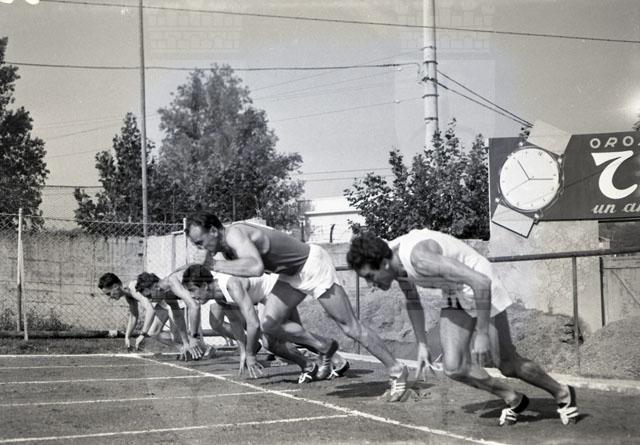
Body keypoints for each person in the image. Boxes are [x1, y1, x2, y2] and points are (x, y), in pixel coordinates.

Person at [346, 229, 579, 425]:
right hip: (454, 291)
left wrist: (482, 333)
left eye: (370, 276)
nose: (370, 284)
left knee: (507, 364)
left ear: (384, 264)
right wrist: (422, 344)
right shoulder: (393, 262)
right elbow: (412, 299)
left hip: (480, 286)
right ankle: (514, 399)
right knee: (454, 367)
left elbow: (480, 282)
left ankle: (562, 392)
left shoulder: (420, 258)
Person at [185, 212, 407, 400]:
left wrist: (214, 264)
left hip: (311, 265)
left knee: (350, 327)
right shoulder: (227, 247)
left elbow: (255, 268)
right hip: (291, 275)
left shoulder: (234, 234)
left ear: (213, 231)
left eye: (200, 242)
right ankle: (323, 346)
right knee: (269, 324)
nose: (199, 248)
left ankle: (397, 370)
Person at [182, 264, 350, 382]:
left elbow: (253, 323)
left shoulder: (231, 285)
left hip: (279, 288)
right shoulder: (217, 294)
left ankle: (315, 363)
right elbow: (235, 321)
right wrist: (243, 351)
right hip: (268, 294)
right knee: (292, 336)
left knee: (279, 338)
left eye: (192, 290)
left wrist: (251, 355)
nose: (192, 296)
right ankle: (333, 361)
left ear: (204, 286)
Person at [97, 272, 201, 360]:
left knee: (177, 337)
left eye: (109, 293)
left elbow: (150, 310)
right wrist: (127, 336)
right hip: (163, 304)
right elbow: (133, 316)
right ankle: (185, 349)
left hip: (171, 301)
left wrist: (142, 334)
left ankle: (202, 348)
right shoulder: (128, 296)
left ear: (115, 286)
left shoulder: (133, 287)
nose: (109, 297)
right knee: (153, 332)